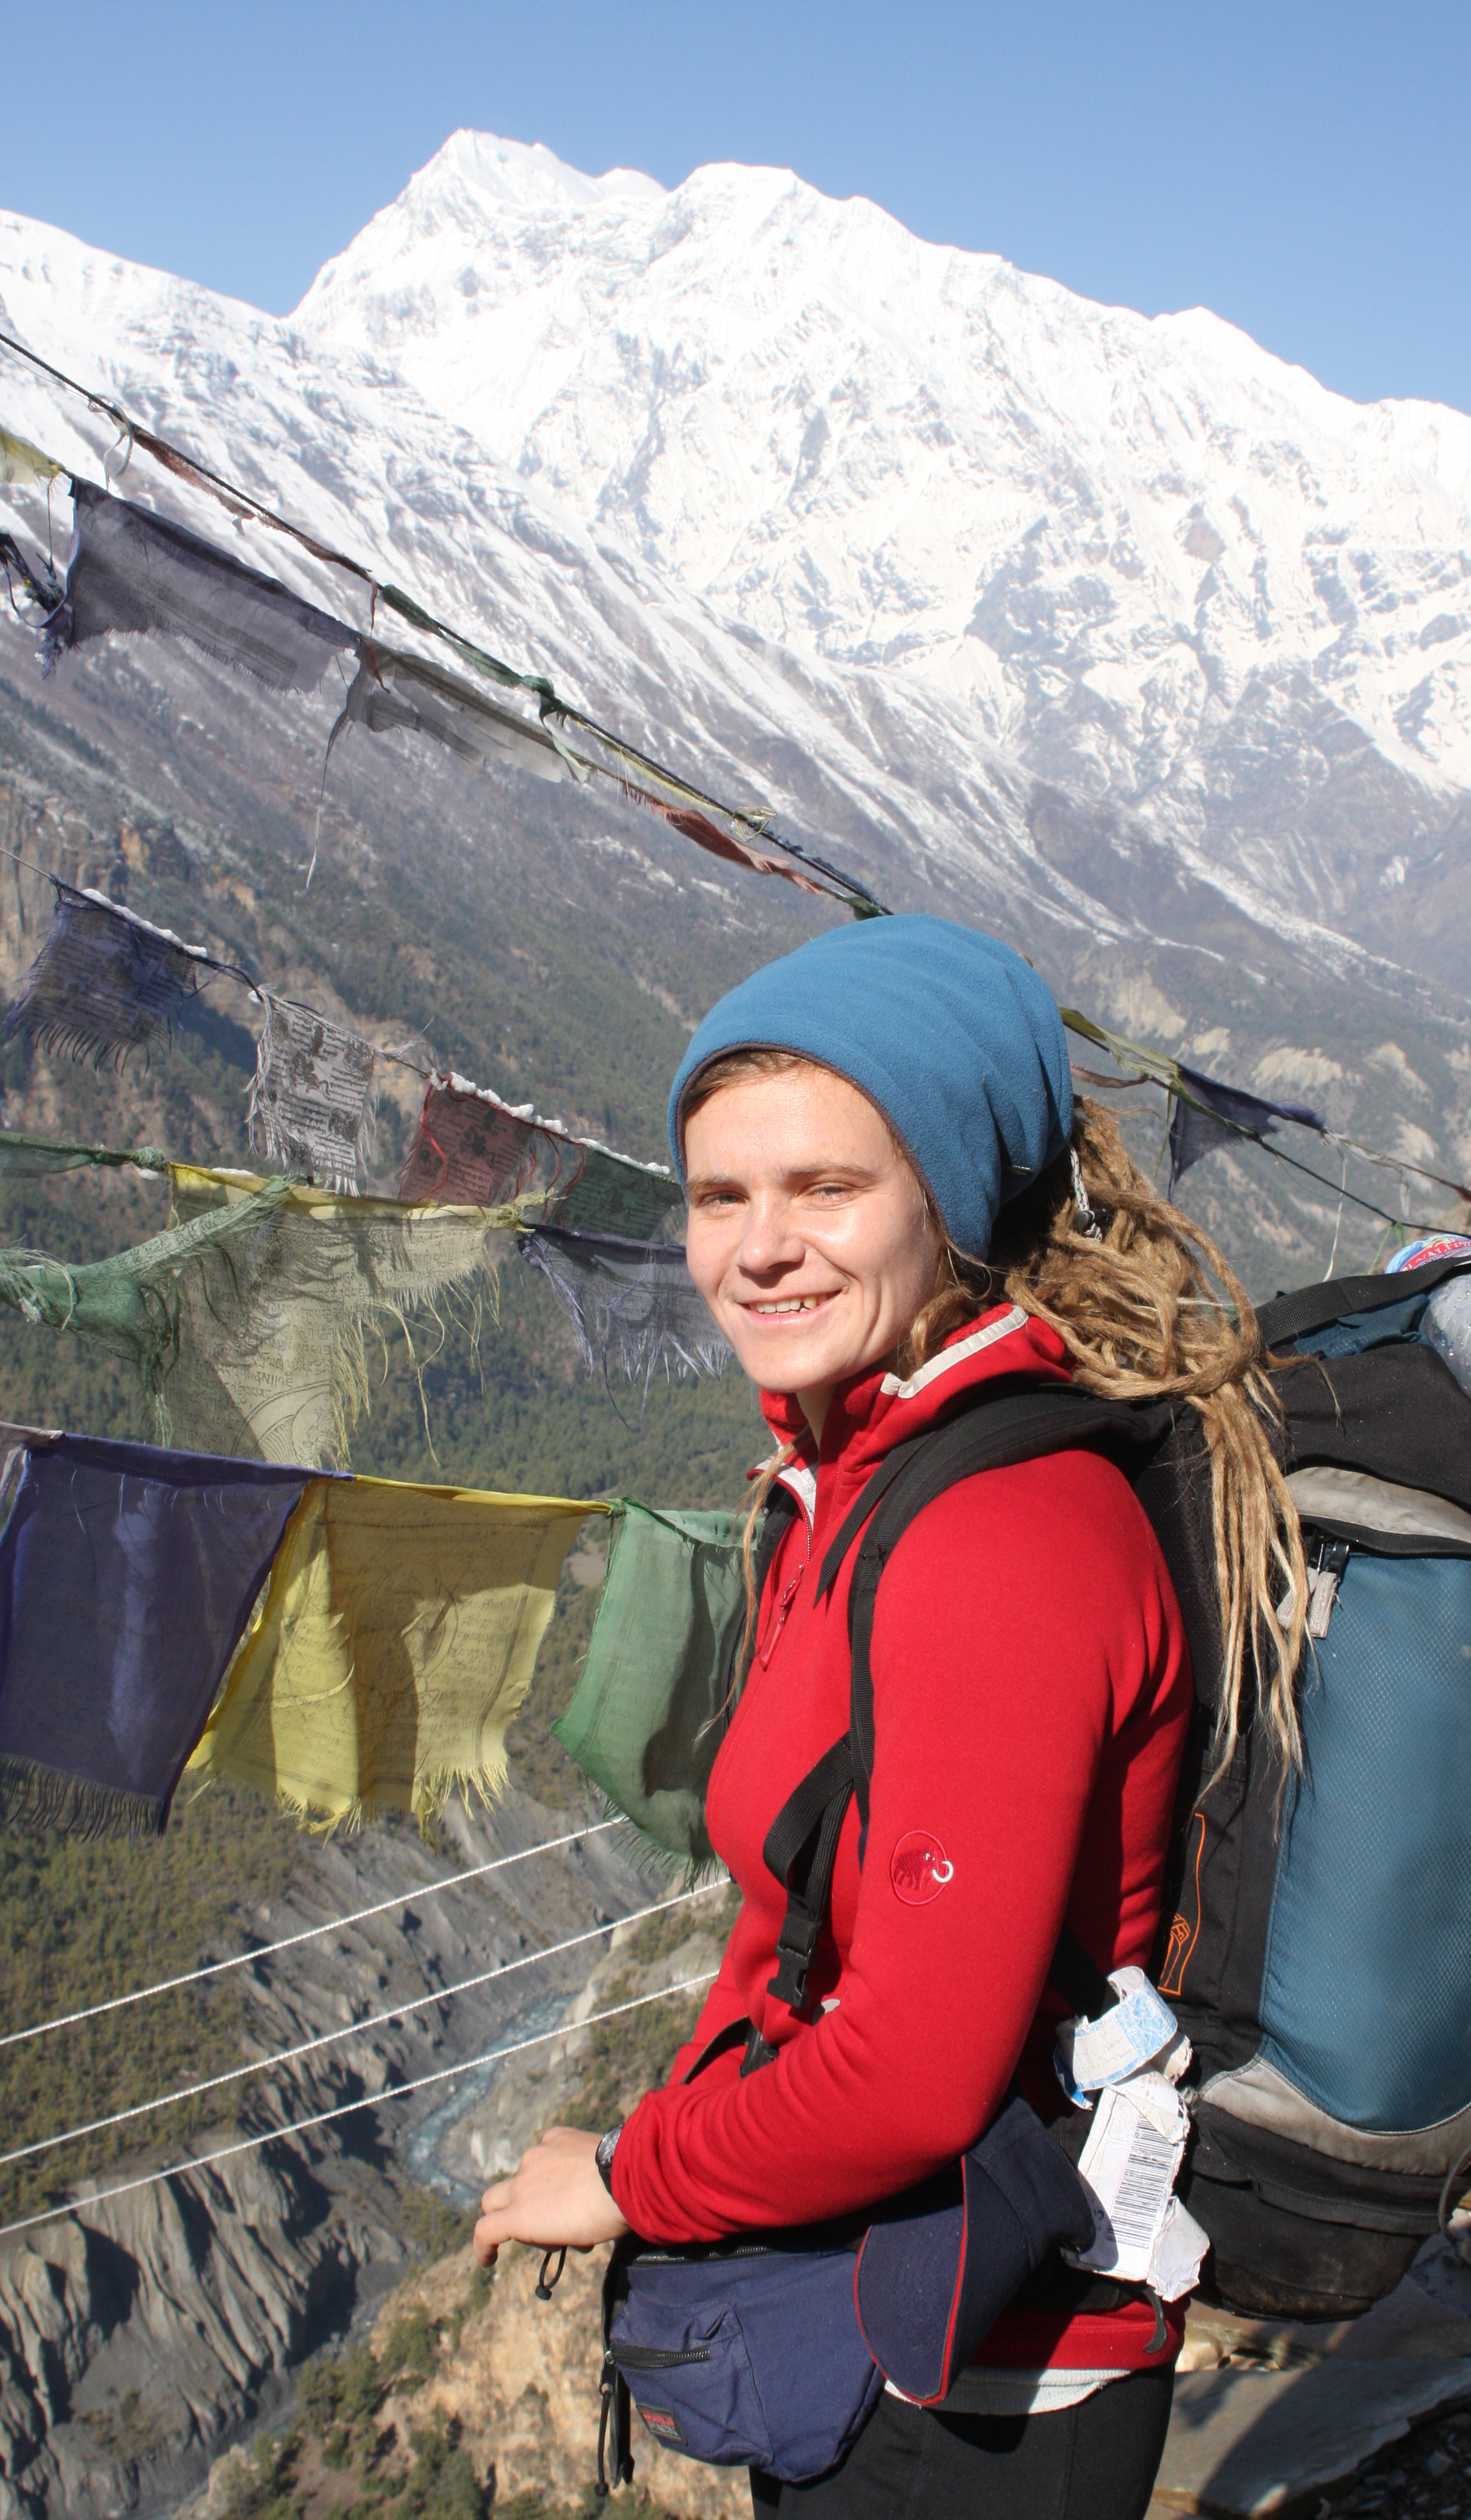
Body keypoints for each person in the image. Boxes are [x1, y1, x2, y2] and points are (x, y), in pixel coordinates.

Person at [475, 916, 1306, 2518]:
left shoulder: (996, 1539)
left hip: (979, 2362)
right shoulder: (857, 1476)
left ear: (951, 1205)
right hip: (887, 2302)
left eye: (828, 1189)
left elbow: (916, 2077)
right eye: (722, 1195)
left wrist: (631, 2180)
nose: (759, 1246)